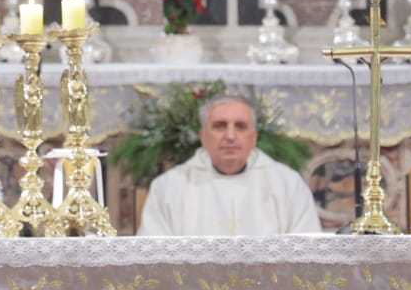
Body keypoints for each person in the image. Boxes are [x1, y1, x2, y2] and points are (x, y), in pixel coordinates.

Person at [136, 94, 321, 236]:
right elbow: (153, 256)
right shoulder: (169, 187)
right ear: (202, 136)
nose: (230, 136)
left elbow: (307, 250)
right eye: (220, 126)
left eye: (240, 126)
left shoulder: (287, 184)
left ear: (254, 137)